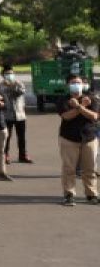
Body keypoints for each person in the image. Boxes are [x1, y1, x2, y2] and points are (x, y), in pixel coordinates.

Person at [56, 73, 98, 206]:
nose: (76, 85)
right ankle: (69, 194)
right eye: (73, 82)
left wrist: (79, 106)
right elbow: (66, 116)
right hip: (69, 138)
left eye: (78, 82)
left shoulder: (91, 99)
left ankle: (91, 194)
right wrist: (81, 107)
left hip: (89, 138)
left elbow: (94, 116)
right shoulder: (63, 100)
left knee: (90, 168)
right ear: (68, 85)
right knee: (69, 168)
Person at [0, 65, 31, 164]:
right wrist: (8, 87)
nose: (10, 75)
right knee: (6, 137)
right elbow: (0, 96)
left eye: (11, 73)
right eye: (7, 74)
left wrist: (13, 85)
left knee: (21, 137)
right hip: (6, 115)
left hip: (20, 114)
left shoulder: (19, 84)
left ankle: (23, 155)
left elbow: (20, 92)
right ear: (3, 75)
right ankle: (5, 155)